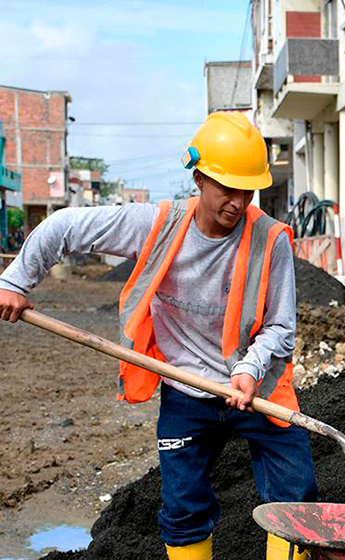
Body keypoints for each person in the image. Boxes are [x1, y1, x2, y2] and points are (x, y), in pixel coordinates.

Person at [0, 112, 317, 560]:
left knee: (295, 496)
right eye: (227, 187)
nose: (237, 201)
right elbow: (65, 226)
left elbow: (281, 326)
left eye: (246, 190)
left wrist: (248, 369)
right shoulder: (158, 224)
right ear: (200, 178)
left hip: (257, 386)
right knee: (183, 507)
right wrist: (16, 282)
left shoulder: (271, 240)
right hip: (186, 390)